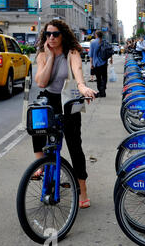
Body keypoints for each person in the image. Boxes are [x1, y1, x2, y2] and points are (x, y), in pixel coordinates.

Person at [33, 19, 98, 209]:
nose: (51, 38)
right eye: (48, 34)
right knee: (37, 122)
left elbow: (77, 71)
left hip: (69, 100)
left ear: (63, 35)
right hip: (50, 99)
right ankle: (41, 166)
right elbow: (42, 83)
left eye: (55, 34)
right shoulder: (42, 55)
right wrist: (51, 57)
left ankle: (83, 191)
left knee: (74, 146)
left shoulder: (72, 52)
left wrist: (82, 86)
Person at [89, 30, 113, 98]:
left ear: (96, 35)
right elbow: (110, 51)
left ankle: (101, 92)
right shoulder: (105, 41)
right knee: (104, 77)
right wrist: (111, 59)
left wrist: (91, 64)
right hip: (104, 62)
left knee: (98, 78)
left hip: (96, 63)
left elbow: (91, 55)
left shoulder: (93, 42)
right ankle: (103, 90)